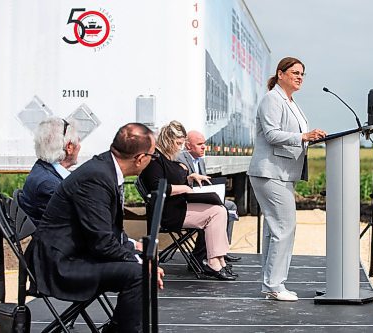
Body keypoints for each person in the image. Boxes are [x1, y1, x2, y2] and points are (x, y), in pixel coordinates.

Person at [30, 123, 164, 333]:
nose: (152, 160)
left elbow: (107, 233)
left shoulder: (105, 169)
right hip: (61, 264)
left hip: (75, 254)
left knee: (140, 268)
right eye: (153, 156)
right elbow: (102, 243)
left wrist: (134, 250)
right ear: (140, 158)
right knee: (139, 275)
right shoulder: (97, 178)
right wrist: (140, 261)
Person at [248, 57, 326, 302]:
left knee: (276, 229)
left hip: (282, 172)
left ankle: (271, 284)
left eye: (302, 73)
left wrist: (310, 137)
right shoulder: (273, 99)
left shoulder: (292, 102)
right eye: (295, 72)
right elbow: (271, 134)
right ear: (280, 74)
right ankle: (274, 285)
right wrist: (303, 136)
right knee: (285, 227)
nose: (300, 76)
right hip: (269, 171)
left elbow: (293, 134)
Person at [138, 120, 237, 281]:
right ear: (168, 140)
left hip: (178, 206)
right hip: (168, 213)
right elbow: (158, 187)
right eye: (178, 143)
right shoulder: (155, 160)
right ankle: (214, 262)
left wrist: (189, 178)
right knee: (217, 212)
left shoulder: (166, 158)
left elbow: (171, 179)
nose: (180, 147)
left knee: (220, 209)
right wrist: (185, 188)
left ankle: (218, 259)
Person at [176, 130, 241, 265]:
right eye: (199, 144)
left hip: (201, 198)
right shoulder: (180, 159)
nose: (204, 147)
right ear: (188, 146)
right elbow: (179, 183)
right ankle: (202, 256)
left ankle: (222, 250)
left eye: (204, 143)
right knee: (217, 211)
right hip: (186, 202)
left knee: (230, 206)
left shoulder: (200, 161)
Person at [20, 117, 81, 226]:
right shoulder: (49, 184)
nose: (79, 146)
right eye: (78, 141)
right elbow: (72, 224)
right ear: (69, 147)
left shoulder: (41, 168)